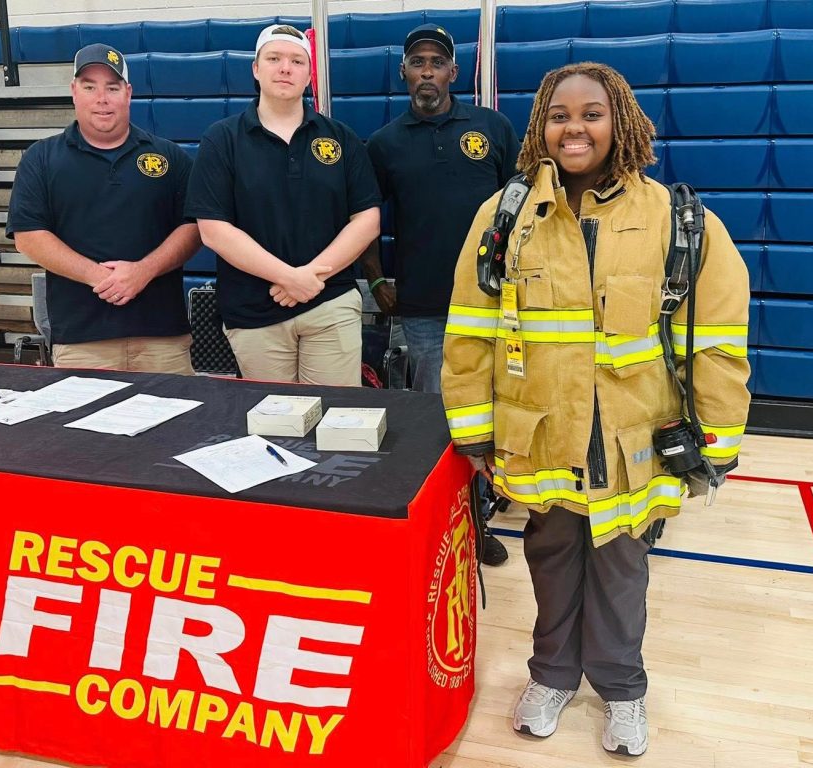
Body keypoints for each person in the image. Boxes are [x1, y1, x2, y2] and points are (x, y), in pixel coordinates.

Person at [441, 62, 751, 756]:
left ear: (623, 124)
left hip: (630, 440)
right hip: (541, 436)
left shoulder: (677, 219)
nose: (573, 126)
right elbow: (468, 334)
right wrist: (474, 432)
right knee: (550, 562)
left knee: (621, 572)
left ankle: (622, 689)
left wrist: (720, 439)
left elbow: (720, 342)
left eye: (590, 113)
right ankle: (550, 677)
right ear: (538, 128)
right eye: (558, 115)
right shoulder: (503, 217)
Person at [364, 23, 519, 566]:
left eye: (437, 63)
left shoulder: (493, 128)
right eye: (417, 63)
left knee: (497, 415)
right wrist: (378, 279)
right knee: (446, 422)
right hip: (426, 309)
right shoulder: (383, 145)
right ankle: (446, 526)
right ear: (404, 73)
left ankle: (479, 524)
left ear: (454, 73)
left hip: (495, 302)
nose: (427, 71)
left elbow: (524, 209)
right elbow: (363, 219)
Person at [185, 24, 381, 386]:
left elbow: (367, 220)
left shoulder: (340, 137)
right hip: (253, 311)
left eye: (296, 60)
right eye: (274, 59)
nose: (285, 68)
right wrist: (288, 277)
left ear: (309, 74)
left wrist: (311, 277)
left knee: (335, 421)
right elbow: (213, 229)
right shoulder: (222, 139)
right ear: (256, 69)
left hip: (329, 302)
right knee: (274, 426)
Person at [7, 43, 201, 373]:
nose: (102, 98)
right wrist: (99, 276)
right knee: (82, 426)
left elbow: (195, 227)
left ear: (128, 93)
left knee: (178, 422)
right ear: (73, 91)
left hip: (162, 338)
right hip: (82, 340)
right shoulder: (41, 159)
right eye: (90, 87)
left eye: (112, 88)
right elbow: (28, 236)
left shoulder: (170, 158)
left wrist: (144, 271)